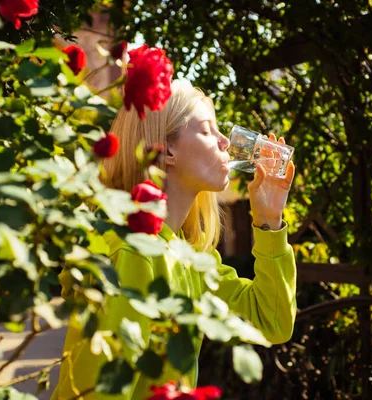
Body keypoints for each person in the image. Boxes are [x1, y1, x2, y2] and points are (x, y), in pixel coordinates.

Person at [51, 80, 297, 400]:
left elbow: (271, 320)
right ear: (166, 149)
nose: (225, 141)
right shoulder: (133, 251)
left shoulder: (185, 255)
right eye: (209, 130)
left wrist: (268, 221)